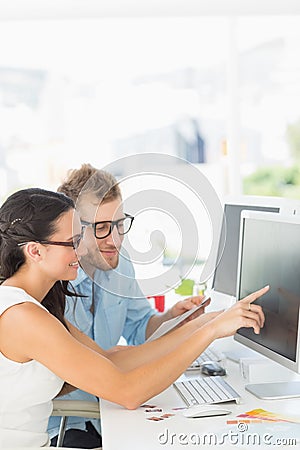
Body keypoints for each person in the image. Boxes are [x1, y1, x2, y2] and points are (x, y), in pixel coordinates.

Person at [0, 187, 268, 448]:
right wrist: (209, 333)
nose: (81, 252)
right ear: (35, 251)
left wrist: (206, 322)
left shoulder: (38, 304)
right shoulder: (23, 316)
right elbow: (128, 392)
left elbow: (111, 360)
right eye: (73, 243)